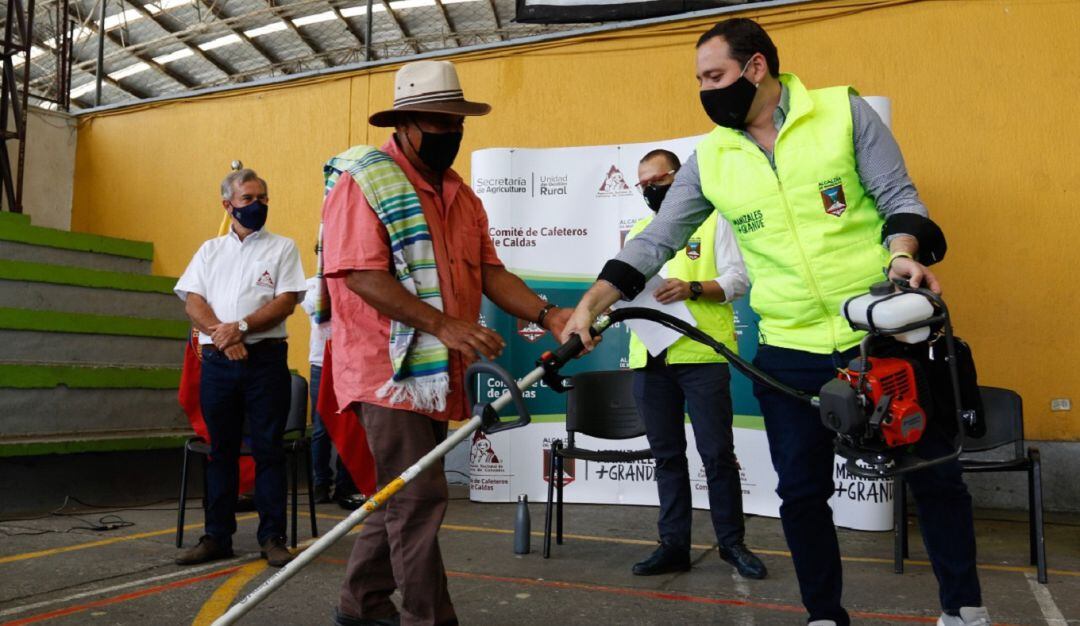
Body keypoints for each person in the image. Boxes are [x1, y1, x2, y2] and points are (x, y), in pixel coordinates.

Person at [561, 18, 988, 626]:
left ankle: (963, 610)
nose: (705, 91)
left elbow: (899, 197)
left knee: (934, 475)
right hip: (789, 349)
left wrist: (902, 253)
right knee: (802, 494)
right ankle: (823, 615)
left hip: (884, 335)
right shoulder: (712, 158)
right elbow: (656, 240)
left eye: (714, 76)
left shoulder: (843, 113)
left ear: (756, 67)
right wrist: (590, 304)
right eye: (699, 80)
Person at [321, 60, 571, 626]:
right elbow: (359, 274)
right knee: (419, 496)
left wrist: (548, 313)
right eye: (439, 123)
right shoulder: (366, 181)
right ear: (405, 124)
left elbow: (490, 271)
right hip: (387, 370)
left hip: (436, 371)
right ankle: (430, 619)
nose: (451, 133)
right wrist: (442, 324)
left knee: (400, 493)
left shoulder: (461, 195)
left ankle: (360, 605)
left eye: (457, 122)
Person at [627, 148, 764, 580]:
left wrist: (693, 288)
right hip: (650, 358)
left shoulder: (713, 219)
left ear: (679, 176)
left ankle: (732, 544)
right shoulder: (640, 232)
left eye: (657, 181)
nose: (650, 191)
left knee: (717, 454)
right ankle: (673, 546)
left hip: (701, 356)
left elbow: (738, 280)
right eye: (643, 185)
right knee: (666, 457)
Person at [174, 168, 306, 568]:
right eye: (248, 198)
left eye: (263, 198)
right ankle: (217, 537)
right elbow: (192, 301)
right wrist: (224, 337)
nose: (258, 205)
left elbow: (285, 301)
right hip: (219, 363)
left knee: (268, 450)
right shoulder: (210, 250)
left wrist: (242, 328)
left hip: (265, 361)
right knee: (221, 451)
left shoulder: (283, 248)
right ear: (227, 205)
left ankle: (272, 538)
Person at [301, 268, 363, 510]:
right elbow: (317, 309)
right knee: (321, 427)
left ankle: (345, 484)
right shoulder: (310, 285)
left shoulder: (353, 281)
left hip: (350, 361)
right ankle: (320, 482)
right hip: (321, 363)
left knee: (349, 424)